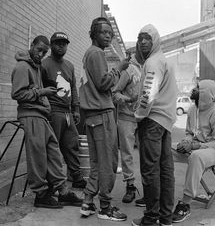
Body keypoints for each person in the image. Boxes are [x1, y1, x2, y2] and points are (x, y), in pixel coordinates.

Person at [11, 35, 83, 209]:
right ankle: (41, 194)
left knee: (54, 153)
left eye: (44, 52)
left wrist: (74, 107)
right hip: (30, 114)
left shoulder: (36, 67)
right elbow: (17, 94)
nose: (41, 54)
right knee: (38, 155)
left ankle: (63, 191)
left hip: (42, 114)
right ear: (32, 45)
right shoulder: (23, 67)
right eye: (39, 50)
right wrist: (42, 92)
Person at [79, 17, 129, 221]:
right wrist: (119, 68)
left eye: (110, 32)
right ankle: (106, 207)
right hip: (101, 113)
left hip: (91, 116)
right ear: (94, 34)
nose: (108, 35)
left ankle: (88, 201)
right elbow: (102, 83)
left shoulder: (87, 54)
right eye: (103, 32)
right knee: (108, 161)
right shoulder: (97, 53)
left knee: (97, 162)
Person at [132, 24, 177, 226]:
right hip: (165, 123)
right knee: (165, 171)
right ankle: (165, 217)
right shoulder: (163, 61)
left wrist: (138, 116)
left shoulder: (152, 63)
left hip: (152, 122)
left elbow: (148, 94)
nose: (142, 42)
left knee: (150, 171)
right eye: (140, 38)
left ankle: (151, 218)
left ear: (156, 40)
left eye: (147, 38)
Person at [172, 79, 215, 223]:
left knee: (196, 156)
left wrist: (196, 146)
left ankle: (185, 203)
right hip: (195, 148)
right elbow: (190, 132)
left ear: (206, 94)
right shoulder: (192, 109)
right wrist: (186, 141)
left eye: (198, 88)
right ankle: (160, 191)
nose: (193, 90)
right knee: (165, 148)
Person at [41, 32, 87, 189]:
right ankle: (51, 182)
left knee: (72, 144)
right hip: (53, 110)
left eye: (64, 43)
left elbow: (73, 87)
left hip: (67, 112)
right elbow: (40, 88)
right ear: (51, 45)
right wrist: (45, 110)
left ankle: (76, 177)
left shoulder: (69, 65)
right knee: (52, 148)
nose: (61, 46)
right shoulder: (44, 64)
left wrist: (75, 108)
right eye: (58, 43)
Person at [112, 47, 143, 204]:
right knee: (127, 153)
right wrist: (129, 99)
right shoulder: (129, 70)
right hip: (127, 117)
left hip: (144, 118)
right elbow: (114, 93)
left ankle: (148, 188)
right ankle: (130, 186)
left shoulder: (146, 70)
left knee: (147, 154)